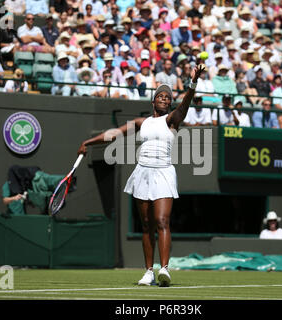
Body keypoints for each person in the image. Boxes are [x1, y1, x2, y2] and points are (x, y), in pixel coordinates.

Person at [77, 64, 205, 287]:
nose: (165, 99)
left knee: (162, 220)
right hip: (142, 173)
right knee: (146, 224)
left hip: (164, 172)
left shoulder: (173, 119)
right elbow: (113, 134)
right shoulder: (141, 122)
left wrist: (192, 83)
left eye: (168, 97)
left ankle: (164, 269)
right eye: (161, 96)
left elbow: (185, 104)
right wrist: (88, 142)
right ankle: (148, 272)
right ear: (153, 101)